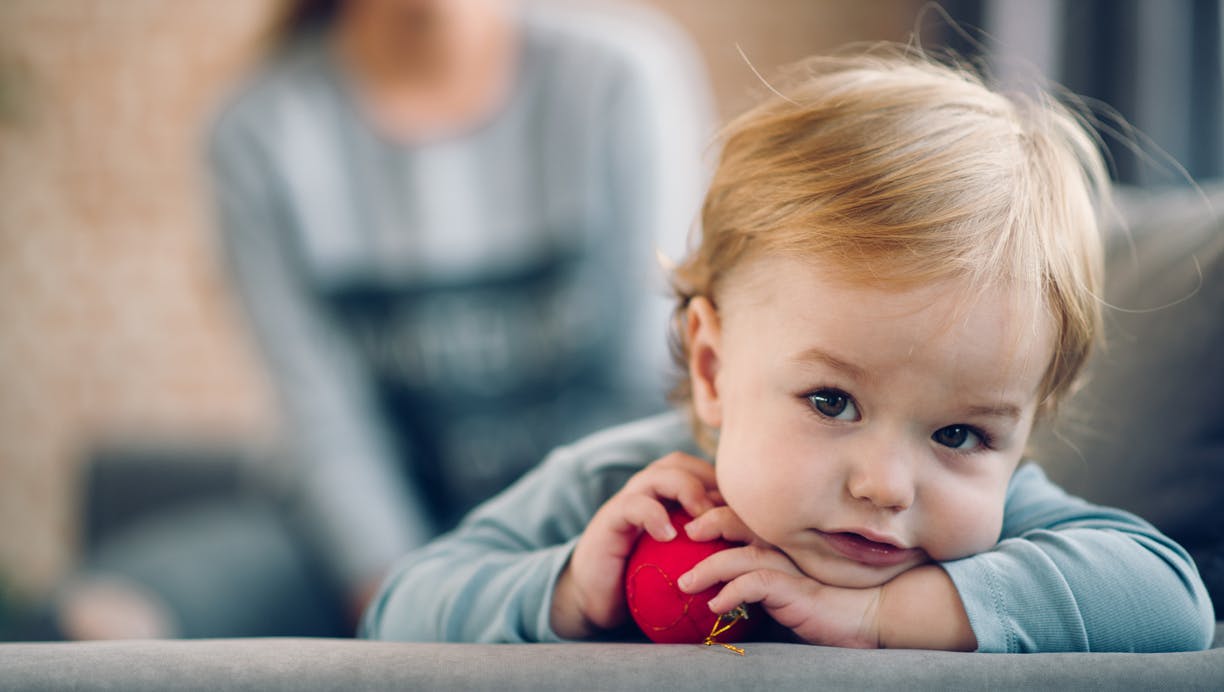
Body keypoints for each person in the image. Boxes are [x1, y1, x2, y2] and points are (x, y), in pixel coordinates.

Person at [360, 45, 1217, 651]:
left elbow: (1173, 601)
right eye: (831, 402)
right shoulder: (622, 497)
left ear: (1023, 433)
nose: (885, 485)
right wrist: (570, 589)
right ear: (711, 371)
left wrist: (884, 618)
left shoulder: (997, 533)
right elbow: (399, 609)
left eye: (961, 435)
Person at [46, 0, 714, 639]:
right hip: (352, 543)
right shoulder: (258, 126)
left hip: (574, 515)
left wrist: (519, 567)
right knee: (101, 615)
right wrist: (400, 593)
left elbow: (641, 373)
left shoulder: (619, 75)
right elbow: (323, 418)